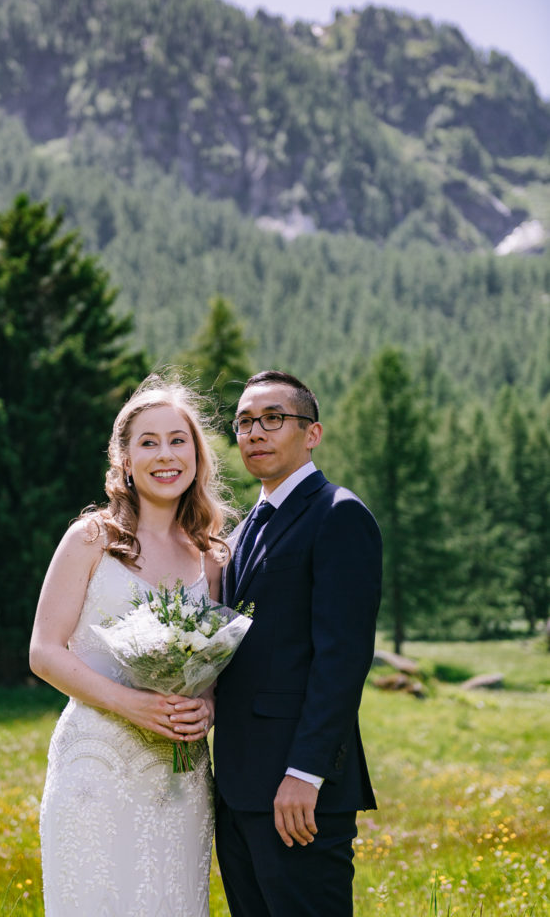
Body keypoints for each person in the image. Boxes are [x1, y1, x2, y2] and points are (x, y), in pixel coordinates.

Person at [30, 377, 230, 916]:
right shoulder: (92, 538)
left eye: (178, 440)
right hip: (97, 765)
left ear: (197, 454)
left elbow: (211, 669)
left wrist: (205, 709)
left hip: (179, 774)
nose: (165, 455)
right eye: (148, 442)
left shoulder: (212, 555)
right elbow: (44, 651)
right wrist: (130, 705)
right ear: (123, 457)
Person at [214, 370, 382, 917]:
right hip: (237, 790)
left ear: (312, 434)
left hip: (298, 793)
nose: (254, 432)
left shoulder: (339, 516)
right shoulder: (241, 532)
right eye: (243, 422)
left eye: (272, 419)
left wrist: (305, 774)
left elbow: (342, 660)